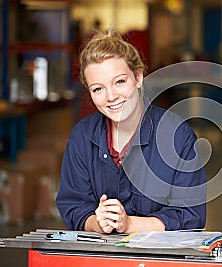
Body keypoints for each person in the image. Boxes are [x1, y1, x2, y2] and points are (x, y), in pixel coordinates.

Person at [56, 27, 207, 234]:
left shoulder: (178, 137)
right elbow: (73, 206)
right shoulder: (82, 137)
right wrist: (97, 223)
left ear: (138, 77)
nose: (111, 97)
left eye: (119, 82)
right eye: (98, 89)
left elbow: (191, 216)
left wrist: (128, 224)